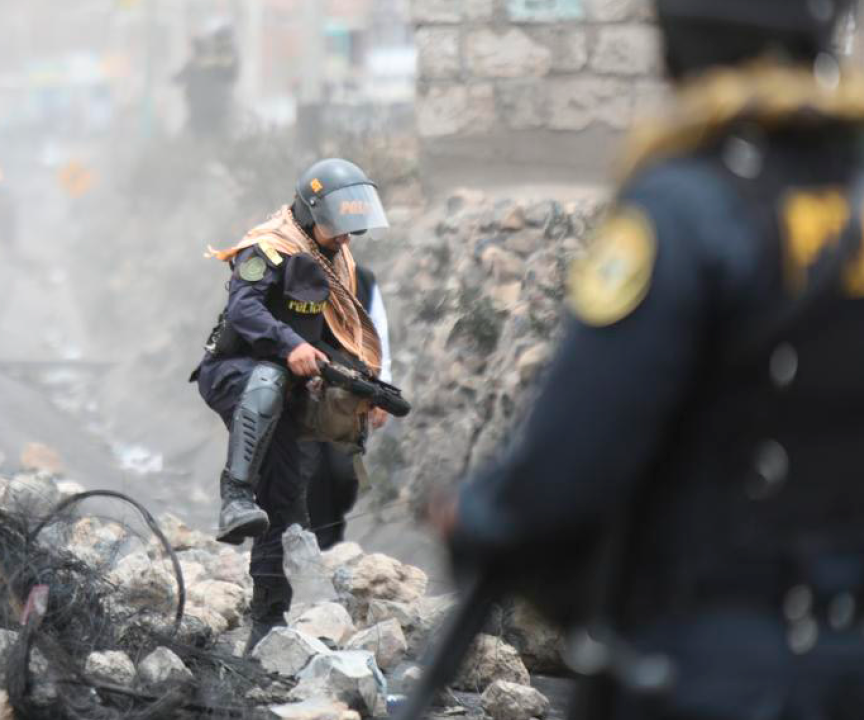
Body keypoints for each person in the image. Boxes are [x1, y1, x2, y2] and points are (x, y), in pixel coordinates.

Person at [429, 1, 864, 718]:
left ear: (675, 51)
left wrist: (478, 517)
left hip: (716, 662)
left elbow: (571, 462)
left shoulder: (685, 209)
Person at [193, 158, 391, 647]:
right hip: (236, 373)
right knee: (267, 377)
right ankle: (234, 495)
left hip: (287, 394)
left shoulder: (336, 263)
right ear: (310, 213)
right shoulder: (269, 247)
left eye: (350, 230)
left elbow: (340, 337)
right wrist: (290, 345)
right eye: (335, 226)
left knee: (281, 497)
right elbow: (243, 308)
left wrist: (370, 388)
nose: (345, 239)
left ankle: (268, 620)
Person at [307, 263, 393, 550]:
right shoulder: (293, 272)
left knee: (344, 471)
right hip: (301, 389)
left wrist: (381, 388)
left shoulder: (363, 279)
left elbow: (378, 336)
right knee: (310, 469)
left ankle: (331, 538)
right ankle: (321, 544)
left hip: (348, 394)